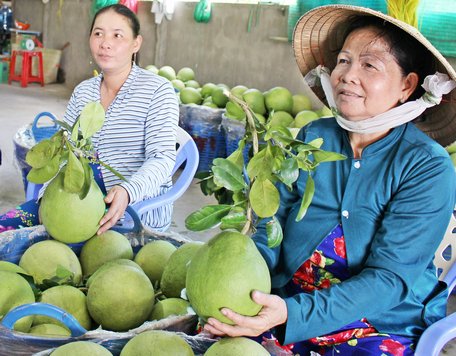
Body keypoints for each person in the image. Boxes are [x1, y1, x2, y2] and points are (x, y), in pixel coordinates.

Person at [203, 5, 456, 355]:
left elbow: (389, 280)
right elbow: (272, 221)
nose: (348, 75)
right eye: (343, 61)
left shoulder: (426, 166)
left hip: (375, 321)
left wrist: (292, 313)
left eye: (369, 65)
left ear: (407, 85)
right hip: (286, 299)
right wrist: (243, 272)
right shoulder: (312, 136)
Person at [0, 4, 179, 234]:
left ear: (136, 43)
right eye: (98, 33)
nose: (105, 43)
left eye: (117, 35)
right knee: (7, 226)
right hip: (79, 201)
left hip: (135, 210)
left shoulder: (158, 91)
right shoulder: (84, 91)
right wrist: (47, 197)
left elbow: (163, 158)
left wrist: (127, 191)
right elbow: (69, 152)